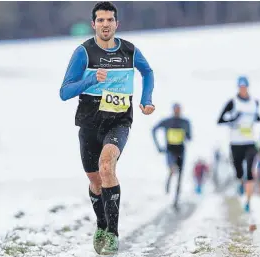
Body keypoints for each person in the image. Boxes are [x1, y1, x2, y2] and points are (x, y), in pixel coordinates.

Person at [59, 2, 155, 254]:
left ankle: (112, 232)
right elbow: (64, 92)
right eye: (100, 20)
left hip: (119, 119)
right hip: (89, 120)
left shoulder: (130, 51)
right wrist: (91, 78)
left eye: (109, 20)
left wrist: (146, 99)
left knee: (106, 165)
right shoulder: (83, 52)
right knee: (94, 179)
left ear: (116, 24)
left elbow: (147, 72)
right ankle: (101, 224)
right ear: (93, 24)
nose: (105, 24)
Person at [217, 76, 260, 212]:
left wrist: (257, 118)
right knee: (239, 171)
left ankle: (248, 201)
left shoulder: (255, 102)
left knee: (249, 171)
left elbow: (258, 117)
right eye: (240, 87)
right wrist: (234, 118)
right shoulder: (232, 102)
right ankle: (240, 182)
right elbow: (220, 120)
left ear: (247, 87)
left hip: (250, 142)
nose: (242, 89)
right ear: (238, 88)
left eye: (244, 87)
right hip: (235, 142)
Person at [152, 103, 191, 210]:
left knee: (180, 176)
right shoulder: (167, 121)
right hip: (170, 150)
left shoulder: (185, 122)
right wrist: (158, 146)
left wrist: (186, 134)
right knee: (173, 169)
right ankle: (168, 187)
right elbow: (153, 130)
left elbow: (189, 137)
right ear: (173, 110)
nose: (177, 111)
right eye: (176, 109)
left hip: (181, 151)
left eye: (179, 109)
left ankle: (176, 200)